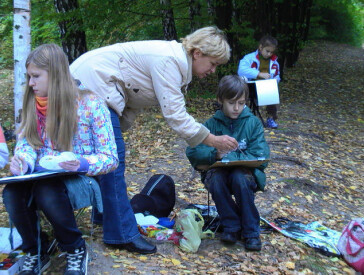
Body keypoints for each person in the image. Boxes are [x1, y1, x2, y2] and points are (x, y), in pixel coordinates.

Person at [70, 26, 239, 254]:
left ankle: (105, 217)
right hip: (89, 86)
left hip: (86, 85)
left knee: (104, 161)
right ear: (197, 53)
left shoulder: (174, 60)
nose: (212, 70)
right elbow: (175, 115)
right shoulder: (169, 60)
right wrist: (213, 140)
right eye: (213, 63)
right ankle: (121, 234)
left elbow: (132, 95)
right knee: (113, 162)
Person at [2, 44, 118, 275]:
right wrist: (22, 161)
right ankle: (37, 249)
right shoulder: (33, 104)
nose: (31, 83)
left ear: (55, 74)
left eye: (36, 76)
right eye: (29, 77)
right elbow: (28, 144)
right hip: (41, 176)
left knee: (46, 189)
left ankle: (75, 249)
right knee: (11, 192)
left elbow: (110, 158)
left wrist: (82, 163)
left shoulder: (91, 104)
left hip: (80, 179)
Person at [186, 75, 270, 251]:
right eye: (232, 103)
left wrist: (230, 157)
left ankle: (251, 231)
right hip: (218, 173)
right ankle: (231, 226)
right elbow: (193, 151)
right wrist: (215, 152)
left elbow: (261, 155)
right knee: (216, 179)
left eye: (241, 102)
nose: (237, 108)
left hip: (245, 174)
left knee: (240, 178)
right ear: (220, 100)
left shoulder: (253, 123)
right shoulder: (211, 124)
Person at [237, 35, 280, 128]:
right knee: (244, 96)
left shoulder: (274, 62)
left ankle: (270, 118)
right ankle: (245, 118)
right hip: (251, 86)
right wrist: (258, 74)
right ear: (261, 47)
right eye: (267, 51)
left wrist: (276, 80)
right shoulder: (250, 58)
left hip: (266, 87)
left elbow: (277, 74)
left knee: (273, 93)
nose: (269, 54)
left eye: (271, 52)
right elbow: (241, 70)